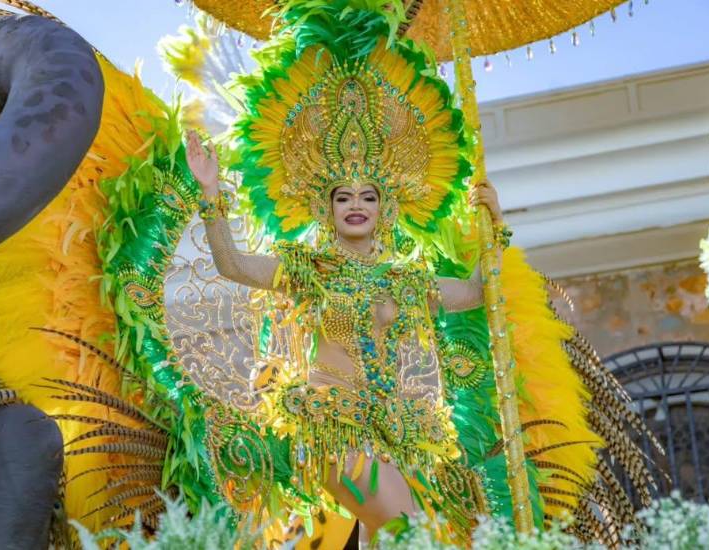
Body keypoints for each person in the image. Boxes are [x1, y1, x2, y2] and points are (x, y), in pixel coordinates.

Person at [185, 121, 504, 539]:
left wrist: (493, 225)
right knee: (417, 535)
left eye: (368, 196)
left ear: (383, 209)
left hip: (396, 435)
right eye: (344, 196)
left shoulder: (404, 281)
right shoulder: (308, 271)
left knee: (412, 539)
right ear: (328, 208)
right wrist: (211, 194)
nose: (356, 204)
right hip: (333, 428)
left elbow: (479, 291)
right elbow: (233, 265)